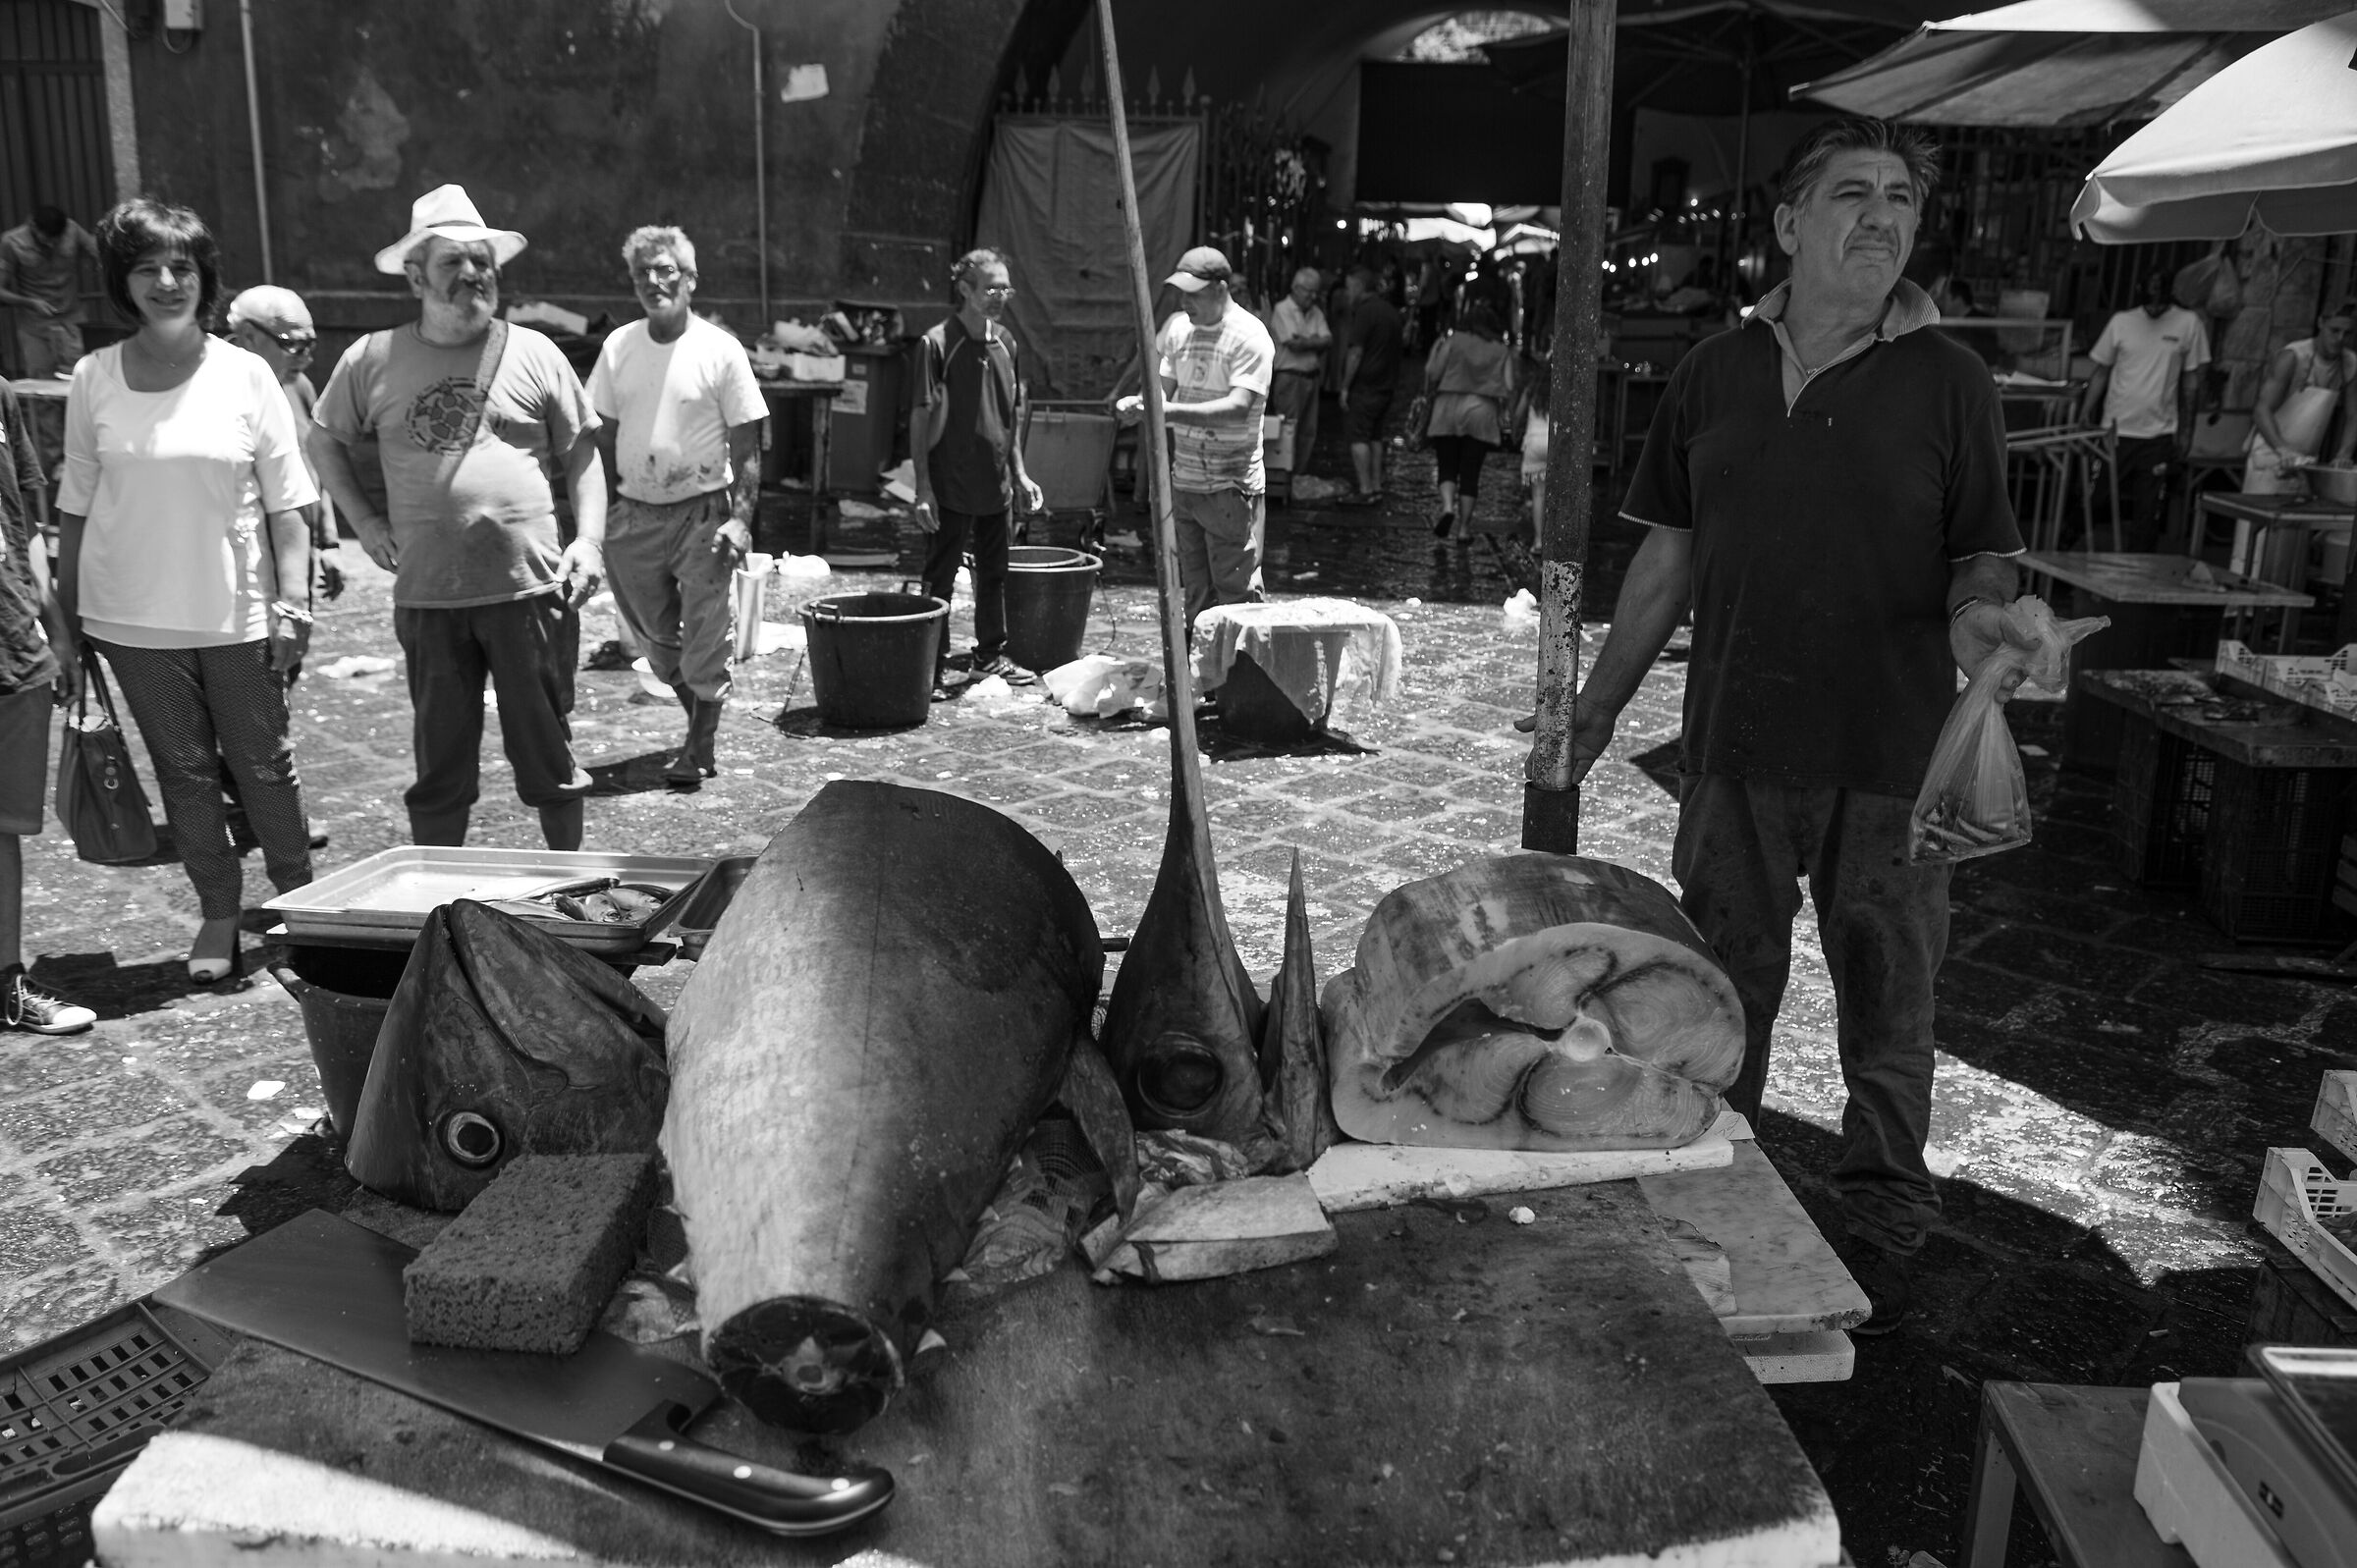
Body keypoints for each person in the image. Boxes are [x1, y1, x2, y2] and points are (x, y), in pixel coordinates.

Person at [1563, 118, 2028, 1336]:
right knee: (1722, 991)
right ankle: (1723, 1171)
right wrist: (1596, 709)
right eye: (1854, 195)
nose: (1882, 219)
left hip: (1893, 753)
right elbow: (1669, 556)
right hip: (1736, 747)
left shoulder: (1952, 382)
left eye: (1901, 203)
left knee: (1892, 993)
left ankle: (1884, 1204)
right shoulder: (1714, 371)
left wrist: (1984, 615)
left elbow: (1983, 549)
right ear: (1788, 223)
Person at [54, 200, 317, 985]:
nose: (167, 282)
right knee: (186, 774)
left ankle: (302, 902)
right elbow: (73, 510)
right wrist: (68, 630)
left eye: (182, 267)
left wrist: (293, 605)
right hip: (130, 621)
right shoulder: (93, 377)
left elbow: (289, 506)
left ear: (204, 277)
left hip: (236, 616)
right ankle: (219, 912)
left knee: (265, 766)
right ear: (122, 280)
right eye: (147, 267)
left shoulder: (248, 373)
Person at [309, 185, 606, 851]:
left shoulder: (534, 352)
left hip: (529, 591)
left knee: (549, 755)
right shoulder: (371, 357)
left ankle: (574, 887)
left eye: (483, 261)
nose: (474, 274)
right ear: (416, 275)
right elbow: (323, 439)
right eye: (454, 262)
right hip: (429, 595)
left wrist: (589, 540)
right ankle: (439, 905)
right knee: (440, 763)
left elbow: (582, 451)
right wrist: (364, 522)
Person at [587, 226, 766, 785]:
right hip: (634, 514)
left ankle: (700, 745)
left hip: (703, 513)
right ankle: (696, 723)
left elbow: (748, 444)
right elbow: (600, 437)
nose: (654, 281)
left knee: (708, 632)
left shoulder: (720, 349)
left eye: (666, 271)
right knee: (655, 638)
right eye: (643, 272)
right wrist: (594, 518)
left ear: (690, 280)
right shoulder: (619, 347)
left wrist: (741, 518)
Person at [0, 380, 95, 1033]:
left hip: (10, 643)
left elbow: (21, 517)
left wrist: (55, 629)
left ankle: (6, 983)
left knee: (1, 828)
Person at [1116, 246, 1273, 629]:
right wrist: (1139, 404)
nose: (1185, 301)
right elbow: (1161, 392)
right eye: (1181, 293)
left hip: (1230, 485)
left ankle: (1243, 681)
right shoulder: (1178, 328)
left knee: (1237, 591)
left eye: (1194, 293)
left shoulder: (1250, 336)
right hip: (1184, 482)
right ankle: (1201, 682)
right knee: (1195, 590)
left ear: (1221, 288)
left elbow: (1238, 407)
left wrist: (1163, 412)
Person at [911, 247, 1043, 693]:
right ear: (964, 290)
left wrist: (1021, 474)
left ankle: (989, 656)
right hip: (949, 484)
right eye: (990, 288)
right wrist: (923, 487)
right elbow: (920, 417)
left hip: (996, 484)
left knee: (995, 572)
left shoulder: (1007, 342)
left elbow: (1012, 412)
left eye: (1005, 287)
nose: (999, 296)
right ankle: (931, 660)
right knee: (940, 575)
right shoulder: (936, 344)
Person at [225, 286, 344, 603]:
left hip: (295, 553)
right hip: (236, 563)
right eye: (293, 344)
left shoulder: (297, 384)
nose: (306, 359)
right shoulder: (209, 383)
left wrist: (328, 542)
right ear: (248, 335)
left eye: (310, 344)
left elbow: (315, 461)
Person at [2081, 271, 2211, 551]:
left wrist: (2187, 431)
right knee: (2095, 499)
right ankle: (2066, 551)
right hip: (2115, 431)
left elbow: (2191, 382)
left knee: (2149, 510)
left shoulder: (2188, 323)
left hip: (2159, 433)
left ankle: (2137, 574)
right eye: (2149, 302)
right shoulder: (2122, 322)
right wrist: (2085, 413)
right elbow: (2101, 372)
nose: (2154, 308)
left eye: (2160, 303)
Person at [1422, 300, 1517, 539]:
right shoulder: (1500, 349)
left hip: (1448, 408)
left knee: (1447, 464)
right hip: (1482, 411)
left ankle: (1446, 508)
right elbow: (1509, 386)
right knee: (1471, 471)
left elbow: (1433, 373)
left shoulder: (1454, 341)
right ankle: (1464, 529)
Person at [2244, 297, 2357, 498]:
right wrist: (2282, 449)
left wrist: (2344, 454)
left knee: (2295, 525)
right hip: (2269, 456)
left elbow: (2353, 415)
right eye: (2334, 331)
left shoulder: (2349, 364)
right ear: (2321, 323)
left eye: (2347, 334)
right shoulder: (2293, 356)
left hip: (2306, 461)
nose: (2340, 339)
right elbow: (2262, 410)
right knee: (2258, 526)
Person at [0, 205, 98, 378]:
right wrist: (29, 302)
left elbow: (98, 253)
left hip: (72, 321)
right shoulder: (11, 242)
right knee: (42, 385)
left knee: (80, 379)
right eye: (47, 239)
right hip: (36, 326)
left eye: (57, 239)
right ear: (33, 226)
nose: (52, 244)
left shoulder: (72, 229)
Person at [1340, 264, 1403, 506]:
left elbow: (1356, 353)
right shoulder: (1389, 310)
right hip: (1386, 384)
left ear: (1358, 286)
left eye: (1348, 288)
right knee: (1375, 436)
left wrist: (1345, 386)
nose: (1347, 293)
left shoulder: (1366, 312)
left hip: (1366, 385)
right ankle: (1376, 486)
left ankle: (1366, 489)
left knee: (1359, 436)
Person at [1269, 267, 1331, 475]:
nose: (1313, 297)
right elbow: (1293, 344)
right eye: (1309, 291)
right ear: (1295, 288)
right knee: (1288, 430)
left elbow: (1328, 340)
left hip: (1311, 378)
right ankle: (1285, 477)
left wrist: (1305, 341)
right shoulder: (1282, 309)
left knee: (1308, 431)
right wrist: (1315, 341)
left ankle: (1298, 476)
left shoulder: (1316, 312)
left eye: (1316, 292)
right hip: (1290, 378)